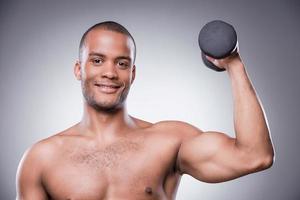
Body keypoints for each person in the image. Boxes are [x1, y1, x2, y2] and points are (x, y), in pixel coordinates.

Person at [16, 21, 274, 200]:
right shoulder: (42, 158)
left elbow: (255, 156)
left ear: (133, 73)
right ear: (78, 69)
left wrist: (233, 64)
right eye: (97, 60)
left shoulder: (169, 141)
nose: (109, 72)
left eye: (122, 63)